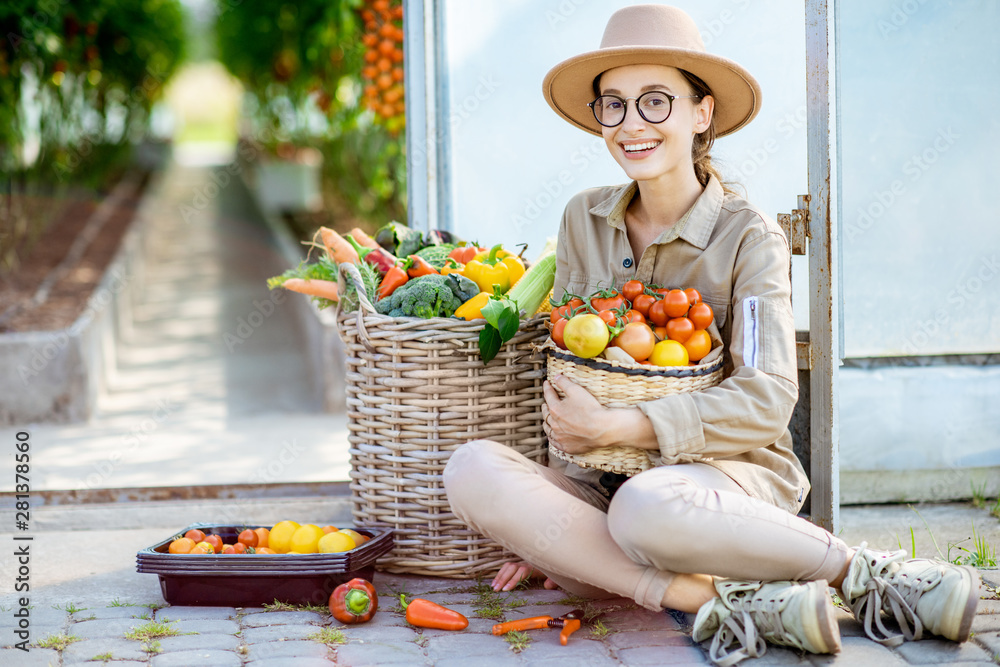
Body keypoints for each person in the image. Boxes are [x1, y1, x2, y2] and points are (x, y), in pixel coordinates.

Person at [443, 5, 980, 665]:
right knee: (470, 468)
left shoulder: (747, 234)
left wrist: (627, 426)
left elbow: (767, 396)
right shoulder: (583, 217)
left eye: (654, 101)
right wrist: (548, 531)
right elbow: (571, 365)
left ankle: (864, 572)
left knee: (644, 509)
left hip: (723, 483)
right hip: (605, 491)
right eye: (613, 104)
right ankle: (717, 599)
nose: (631, 124)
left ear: (702, 113)